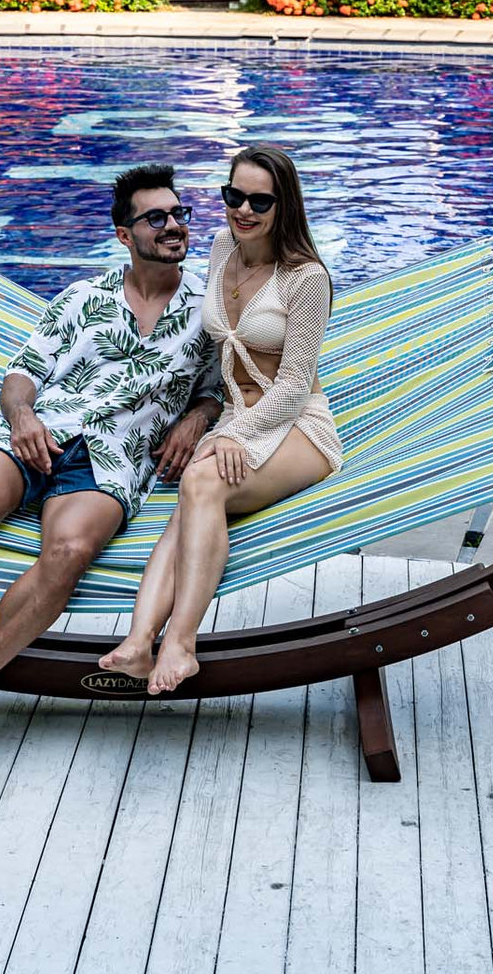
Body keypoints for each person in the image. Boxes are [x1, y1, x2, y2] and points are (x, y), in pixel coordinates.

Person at [0, 163, 222, 750]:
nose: (174, 225)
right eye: (156, 217)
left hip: (116, 456)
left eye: (179, 214)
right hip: (39, 431)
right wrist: (23, 420)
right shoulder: (81, 298)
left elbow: (221, 389)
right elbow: (22, 375)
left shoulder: (211, 309)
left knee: (68, 551)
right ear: (125, 235)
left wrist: (196, 416)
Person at [100, 144, 340, 694]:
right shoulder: (221, 246)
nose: (244, 210)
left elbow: (295, 384)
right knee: (194, 495)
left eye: (260, 200)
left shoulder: (306, 279)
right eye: (234, 196)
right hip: (237, 415)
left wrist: (229, 433)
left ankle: (179, 644)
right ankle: (139, 643)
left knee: (200, 481)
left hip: (300, 425)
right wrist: (212, 416)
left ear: (285, 206)